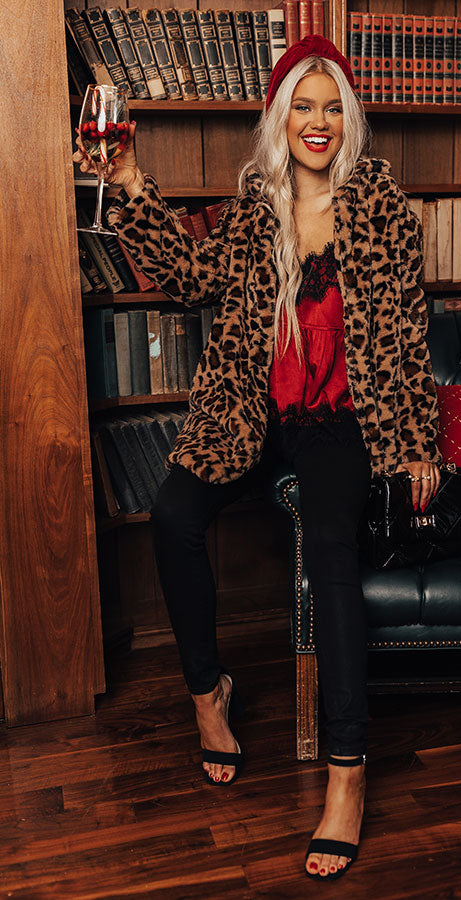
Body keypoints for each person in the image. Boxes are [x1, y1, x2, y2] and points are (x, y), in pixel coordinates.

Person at [73, 34, 441, 881]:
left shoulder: (384, 209)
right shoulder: (255, 206)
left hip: (341, 419)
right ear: (281, 117)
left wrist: (417, 442)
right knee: (172, 516)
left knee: (332, 549)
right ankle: (210, 695)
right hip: (252, 408)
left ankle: (347, 774)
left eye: (332, 107)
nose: (319, 122)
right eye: (303, 106)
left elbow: (408, 334)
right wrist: (129, 181)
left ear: (349, 118)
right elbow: (188, 279)